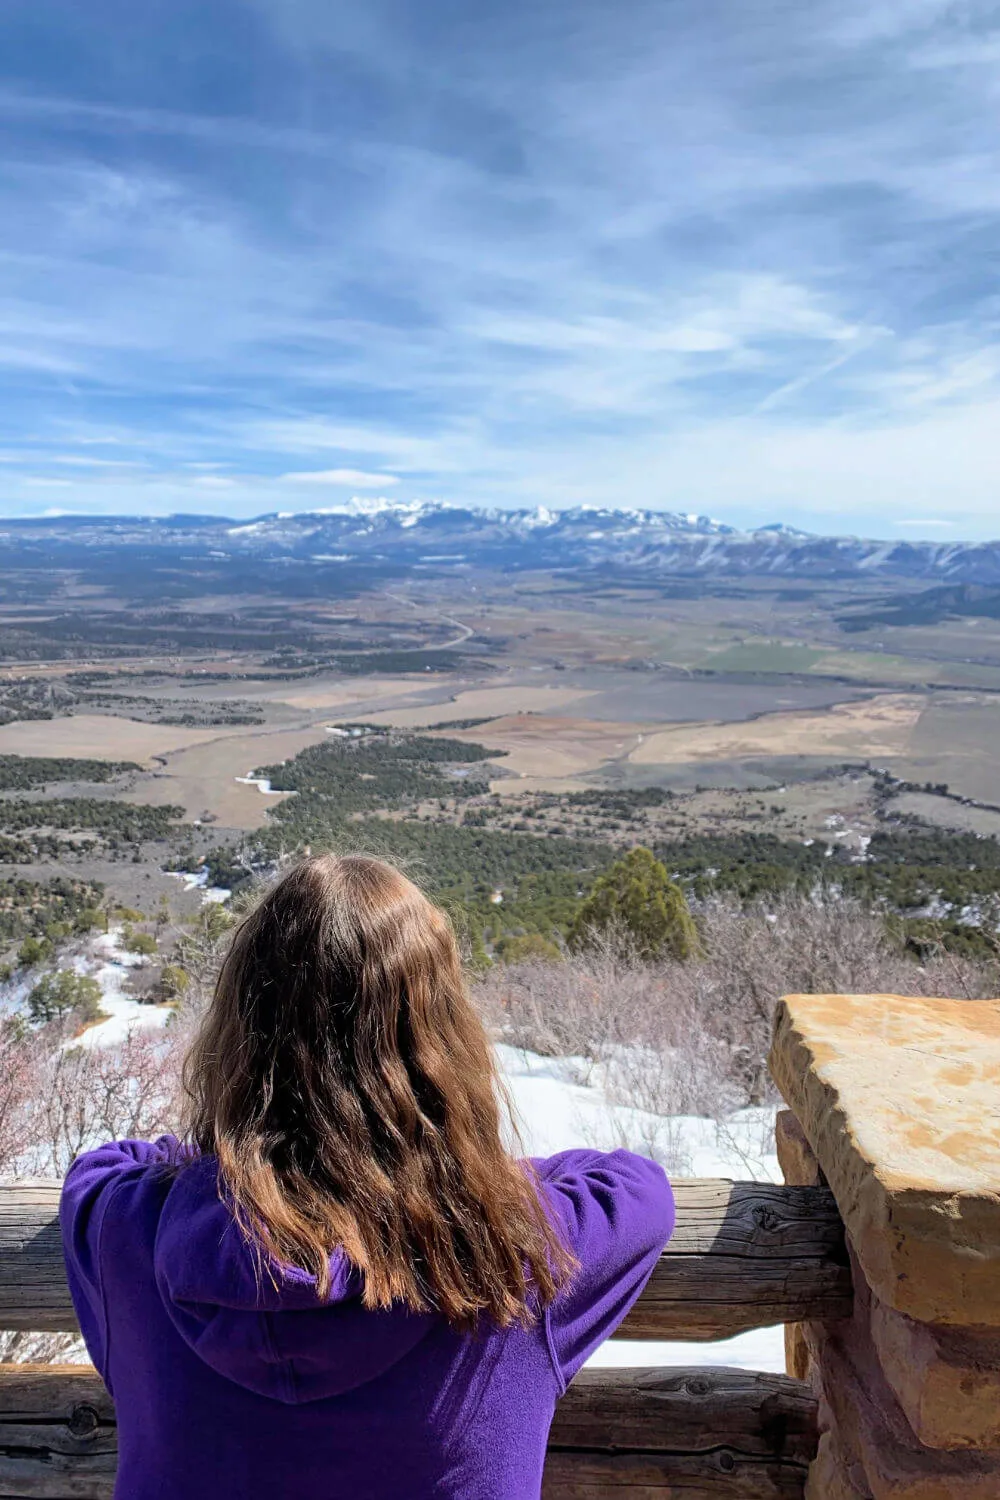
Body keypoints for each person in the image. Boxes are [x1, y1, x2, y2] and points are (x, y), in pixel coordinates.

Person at [61, 854, 675, 1500]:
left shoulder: (129, 1237)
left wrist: (239, 1158)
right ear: (440, 1049)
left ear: (240, 1036)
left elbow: (103, 1168)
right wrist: (470, 1179)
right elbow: (638, 1190)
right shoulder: (512, 1260)